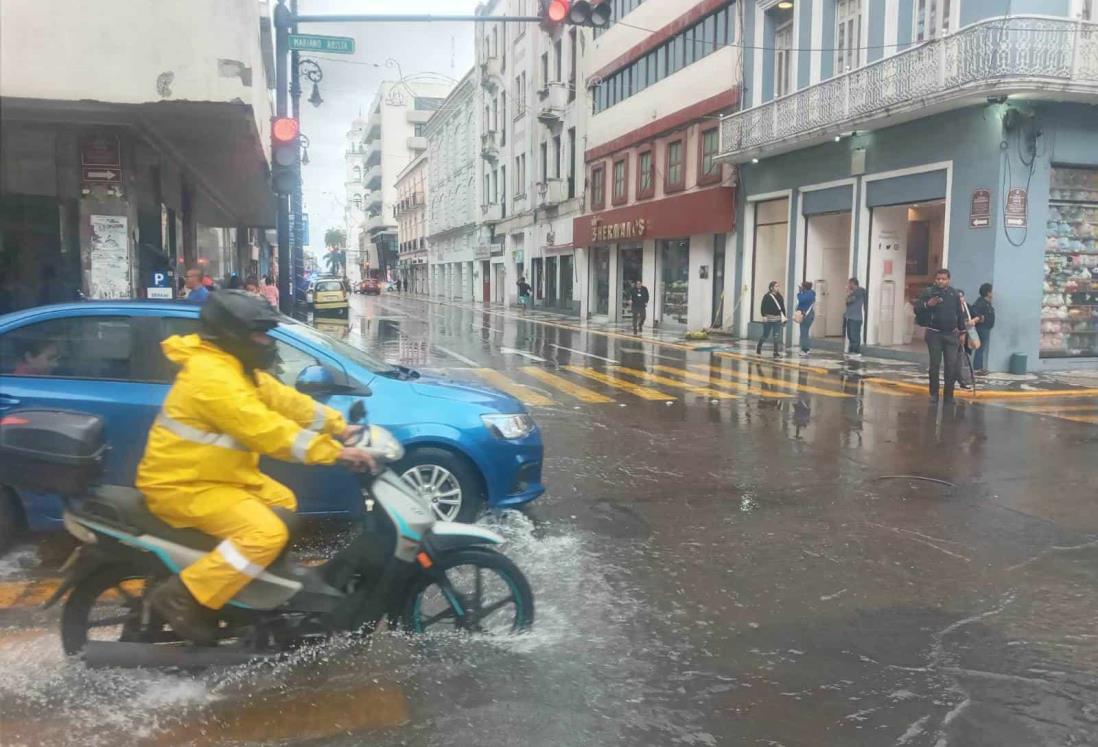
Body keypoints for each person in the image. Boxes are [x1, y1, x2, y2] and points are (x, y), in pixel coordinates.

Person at [135, 291, 379, 644]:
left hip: (216, 477)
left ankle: (249, 589)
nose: (266, 343)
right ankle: (183, 594)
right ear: (232, 335)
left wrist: (337, 426)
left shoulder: (234, 367)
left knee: (284, 502)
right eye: (259, 335)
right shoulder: (213, 379)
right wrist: (334, 453)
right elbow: (265, 430)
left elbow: (284, 400)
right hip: (181, 485)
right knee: (265, 533)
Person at [914, 268, 966, 404]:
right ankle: (934, 394)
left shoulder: (954, 294)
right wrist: (928, 304)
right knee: (934, 365)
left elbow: (960, 314)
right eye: (938, 279)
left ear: (949, 280)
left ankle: (949, 395)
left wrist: (962, 332)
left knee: (951, 365)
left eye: (943, 279)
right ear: (935, 279)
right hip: (934, 334)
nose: (940, 281)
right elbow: (917, 308)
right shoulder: (929, 292)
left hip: (951, 335)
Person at [755, 281, 787, 358]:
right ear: (771, 287)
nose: (777, 288)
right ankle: (759, 347)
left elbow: (782, 308)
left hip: (777, 319)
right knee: (765, 335)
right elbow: (763, 307)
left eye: (778, 286)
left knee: (776, 336)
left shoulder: (780, 296)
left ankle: (775, 352)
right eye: (776, 286)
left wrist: (784, 318)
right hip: (768, 319)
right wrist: (763, 316)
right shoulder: (767, 296)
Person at [970, 283, 995, 374]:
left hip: (986, 328)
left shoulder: (987, 303)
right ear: (988, 293)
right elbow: (974, 310)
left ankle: (979, 367)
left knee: (981, 348)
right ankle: (977, 368)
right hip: (982, 329)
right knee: (980, 348)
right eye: (992, 291)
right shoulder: (981, 302)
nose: (994, 293)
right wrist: (980, 317)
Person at [843, 278, 866, 357]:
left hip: (855, 318)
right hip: (851, 317)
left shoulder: (858, 291)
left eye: (849, 284)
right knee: (850, 334)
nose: (848, 285)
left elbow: (848, 300)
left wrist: (848, 292)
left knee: (854, 335)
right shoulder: (855, 292)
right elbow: (847, 301)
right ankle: (852, 350)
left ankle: (855, 351)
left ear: (853, 284)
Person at [795, 281, 816, 357]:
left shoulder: (808, 295)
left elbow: (801, 300)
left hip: (806, 316)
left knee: (804, 333)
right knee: (805, 332)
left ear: (804, 287)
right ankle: (806, 348)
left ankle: (805, 349)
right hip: (809, 315)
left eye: (802, 287)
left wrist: (800, 292)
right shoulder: (812, 293)